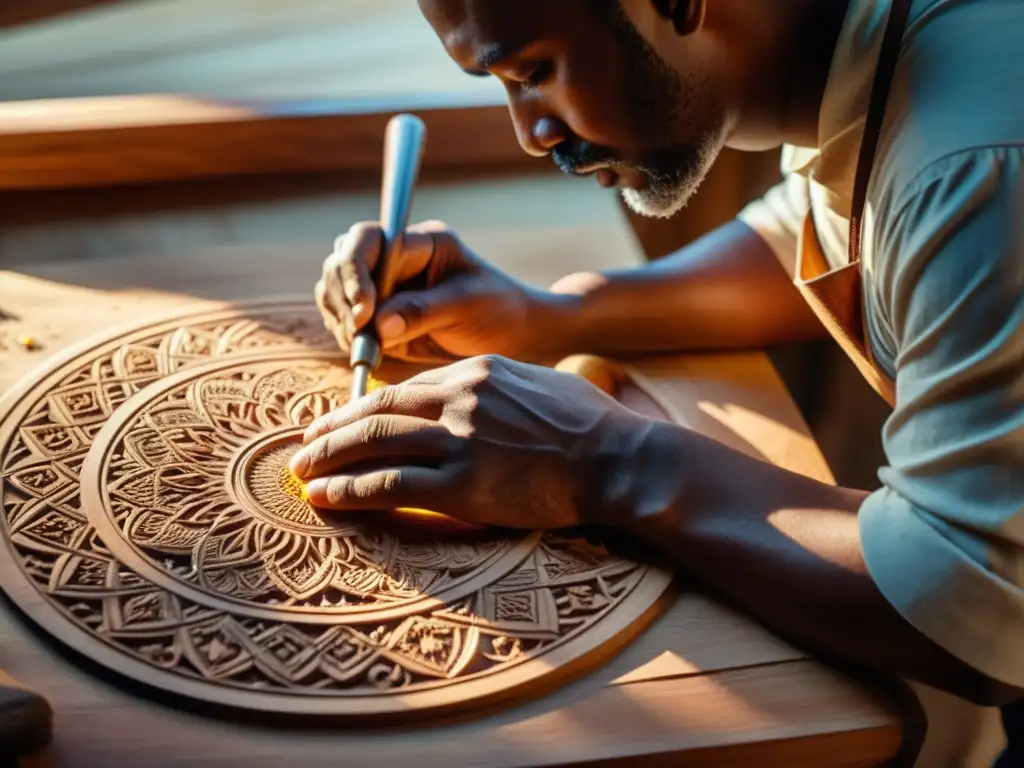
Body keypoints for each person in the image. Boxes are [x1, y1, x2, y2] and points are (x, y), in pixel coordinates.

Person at [294, 1, 1024, 761]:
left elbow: (968, 608)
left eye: (535, 71)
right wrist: (554, 313)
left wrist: (608, 459)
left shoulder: (975, 163)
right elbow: (841, 224)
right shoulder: (879, 48)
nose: (530, 131)